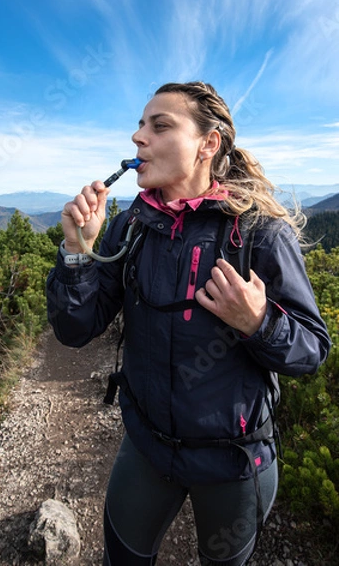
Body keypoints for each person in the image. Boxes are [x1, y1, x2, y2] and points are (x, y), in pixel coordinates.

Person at [46, 82, 331, 565]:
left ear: (208, 143)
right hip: (146, 446)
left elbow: (312, 349)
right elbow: (75, 330)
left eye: (159, 126)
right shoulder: (131, 226)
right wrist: (76, 253)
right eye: (140, 125)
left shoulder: (258, 232)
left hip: (234, 462)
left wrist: (258, 321)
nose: (138, 137)